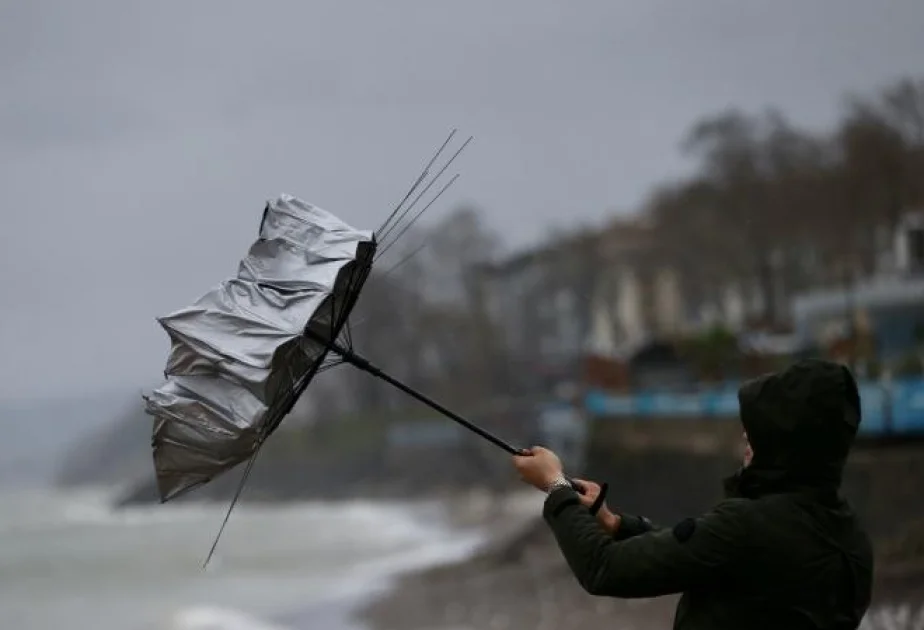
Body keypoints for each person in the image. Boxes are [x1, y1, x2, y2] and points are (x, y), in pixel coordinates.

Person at [512, 359, 873, 629]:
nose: (746, 438)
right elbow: (711, 559)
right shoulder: (849, 536)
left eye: (758, 431)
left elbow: (605, 569)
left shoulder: (746, 526)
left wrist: (556, 486)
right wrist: (617, 524)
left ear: (787, 442)